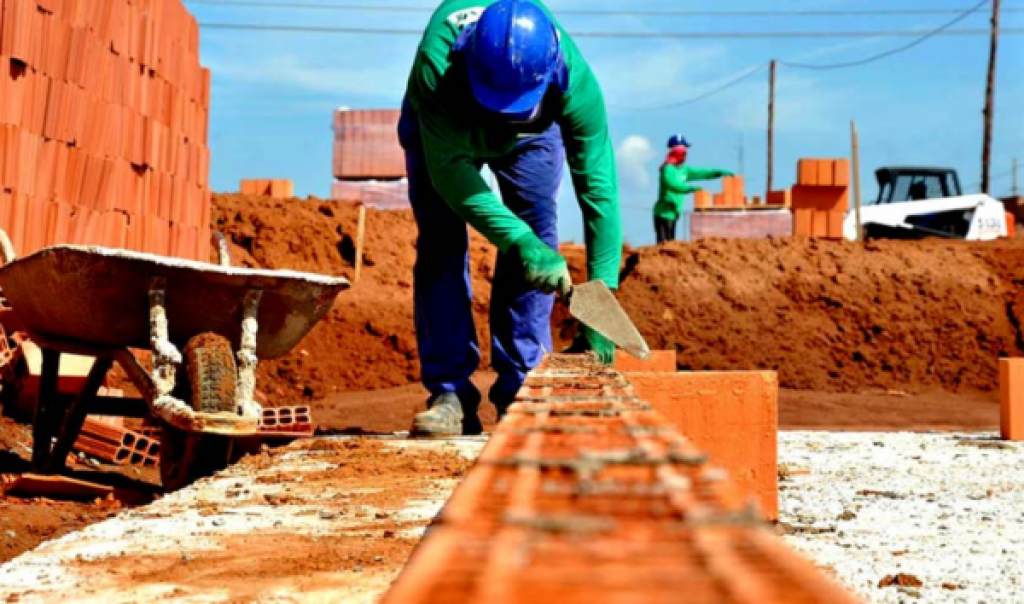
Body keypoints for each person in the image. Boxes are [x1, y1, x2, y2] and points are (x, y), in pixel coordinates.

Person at [397, 0, 623, 437]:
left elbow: (599, 192)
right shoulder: (437, 67)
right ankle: (450, 393)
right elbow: (451, 177)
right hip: (446, 122)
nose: (501, 117)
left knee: (537, 233)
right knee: (442, 243)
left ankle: (523, 387)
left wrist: (602, 299)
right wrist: (520, 240)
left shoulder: (574, 82)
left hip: (533, 135)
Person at [653, 135, 733, 243]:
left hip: (674, 213)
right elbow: (674, 185)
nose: (686, 155)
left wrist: (718, 172)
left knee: (671, 242)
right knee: (664, 244)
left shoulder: (684, 170)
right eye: (684, 153)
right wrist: (691, 189)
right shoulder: (667, 170)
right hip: (663, 213)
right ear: (678, 152)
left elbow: (701, 173)